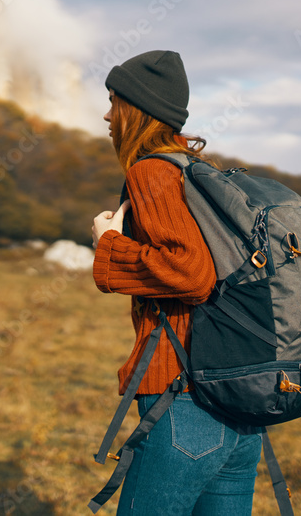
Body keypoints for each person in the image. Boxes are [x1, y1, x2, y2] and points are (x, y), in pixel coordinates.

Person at [91, 50, 263, 515]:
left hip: (182, 398)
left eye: (114, 102)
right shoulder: (196, 173)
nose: (107, 115)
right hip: (239, 402)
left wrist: (109, 242)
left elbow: (190, 272)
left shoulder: (151, 171)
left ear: (136, 110)